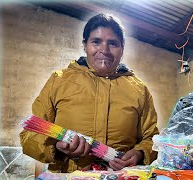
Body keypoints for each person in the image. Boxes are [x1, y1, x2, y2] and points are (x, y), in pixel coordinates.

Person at [20, 13, 159, 172]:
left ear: (122, 48)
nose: (104, 50)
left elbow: (151, 139)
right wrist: (57, 148)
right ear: (85, 45)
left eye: (113, 43)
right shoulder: (59, 81)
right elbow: (30, 136)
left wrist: (140, 153)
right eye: (96, 42)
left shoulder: (139, 90)